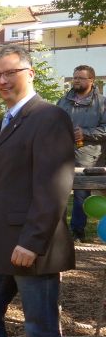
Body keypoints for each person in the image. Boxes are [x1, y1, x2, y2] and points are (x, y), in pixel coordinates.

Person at [0, 45, 75, 337]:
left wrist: (32, 241)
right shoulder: (10, 117)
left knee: (41, 332)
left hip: (32, 245)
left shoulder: (49, 117)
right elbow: (14, 165)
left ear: (29, 73)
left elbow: (54, 185)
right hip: (4, 243)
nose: (2, 81)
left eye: (9, 73)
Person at [57, 65, 106, 242]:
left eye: (81, 77)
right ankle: (59, 231)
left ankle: (78, 232)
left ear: (91, 80)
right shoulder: (63, 101)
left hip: (88, 155)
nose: (76, 80)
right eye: (74, 77)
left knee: (80, 194)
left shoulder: (102, 102)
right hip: (62, 153)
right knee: (58, 190)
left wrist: (85, 133)